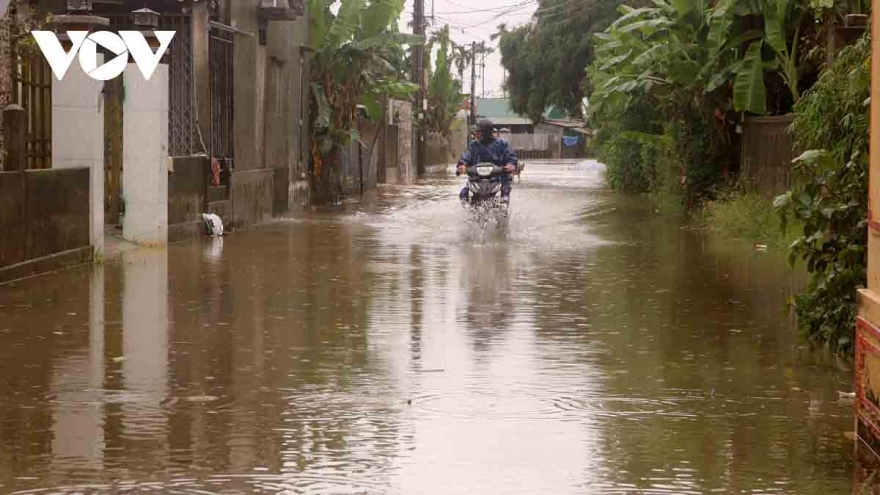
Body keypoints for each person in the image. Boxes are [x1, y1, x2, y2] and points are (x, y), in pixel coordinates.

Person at [456, 118, 518, 203]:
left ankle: (503, 214)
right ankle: (467, 213)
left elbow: (511, 157)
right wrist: (462, 164)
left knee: (505, 195)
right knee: (463, 194)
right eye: (475, 131)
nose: (476, 133)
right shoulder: (473, 145)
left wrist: (511, 165)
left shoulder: (501, 144)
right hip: (476, 179)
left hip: (498, 179)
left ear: (485, 132)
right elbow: (466, 155)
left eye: (478, 131)